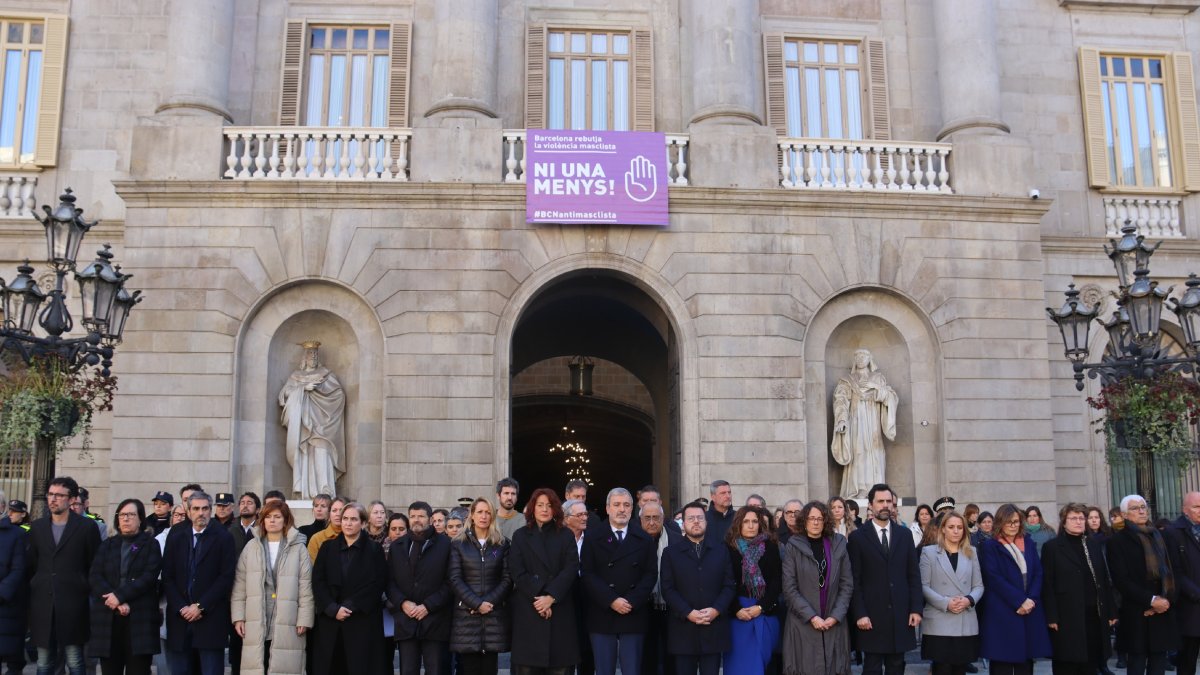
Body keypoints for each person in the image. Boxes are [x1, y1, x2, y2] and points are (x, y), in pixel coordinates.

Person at [29, 476, 103, 675]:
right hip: (43, 602)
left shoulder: (87, 527)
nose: (53, 499)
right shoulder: (37, 527)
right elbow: (33, 563)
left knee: (75, 660)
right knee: (43, 661)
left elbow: (94, 565)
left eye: (59, 495)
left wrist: (82, 588)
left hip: (74, 602)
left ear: (71, 500)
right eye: (51, 494)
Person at [847, 483, 923, 675]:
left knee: (897, 665)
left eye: (889, 501)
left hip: (900, 614)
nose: (885, 505)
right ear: (870, 506)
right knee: (871, 667)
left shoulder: (905, 535)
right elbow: (854, 581)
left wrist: (916, 608)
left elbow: (913, 575)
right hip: (871, 617)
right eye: (880, 501)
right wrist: (860, 613)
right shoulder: (857, 538)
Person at [231, 500, 314, 675]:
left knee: (285, 666)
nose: (272, 520)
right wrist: (238, 617)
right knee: (256, 664)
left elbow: (305, 587)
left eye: (277, 517)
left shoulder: (299, 549)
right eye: (268, 517)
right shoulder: (251, 547)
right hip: (256, 617)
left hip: (288, 618)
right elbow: (239, 586)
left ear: (286, 520)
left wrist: (304, 619)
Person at [581, 488, 657, 675]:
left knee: (632, 670)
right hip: (602, 613)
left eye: (626, 505)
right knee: (604, 670)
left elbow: (650, 575)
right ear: (607, 509)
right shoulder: (592, 538)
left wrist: (631, 601)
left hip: (633, 613)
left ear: (632, 509)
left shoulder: (644, 539)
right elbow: (588, 574)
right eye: (616, 505)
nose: (621, 509)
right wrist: (611, 600)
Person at [160, 490, 237, 675]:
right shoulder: (177, 534)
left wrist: (200, 606)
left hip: (210, 618)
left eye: (205, 508)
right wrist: (181, 607)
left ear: (211, 510)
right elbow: (168, 575)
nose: (201, 513)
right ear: (188, 511)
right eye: (196, 509)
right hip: (180, 618)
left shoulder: (224, 536)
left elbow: (226, 577)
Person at [509, 487, 580, 674]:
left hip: (560, 609)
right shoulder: (520, 536)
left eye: (549, 505)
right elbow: (517, 571)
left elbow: (571, 568)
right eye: (540, 505)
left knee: (560, 665)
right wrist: (541, 597)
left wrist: (551, 597)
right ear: (532, 508)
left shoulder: (565, 535)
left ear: (555, 509)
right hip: (530, 608)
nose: (544, 509)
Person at [88, 498, 163, 675]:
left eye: (131, 514)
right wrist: (115, 601)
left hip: (139, 618)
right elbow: (95, 576)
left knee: (138, 669)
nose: (126, 519)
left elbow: (148, 576)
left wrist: (120, 596)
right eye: (122, 515)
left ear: (140, 519)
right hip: (108, 617)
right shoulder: (108, 545)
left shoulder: (150, 544)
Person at [1042, 502, 1117, 675]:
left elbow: (1104, 580)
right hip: (1066, 616)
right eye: (1073, 518)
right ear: (1064, 521)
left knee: (1091, 663)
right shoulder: (1052, 547)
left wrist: (1111, 611)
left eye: (1081, 518)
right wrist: (1051, 615)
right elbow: (1047, 584)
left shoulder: (1093, 545)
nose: (1078, 521)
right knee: (1067, 663)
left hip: (1094, 616)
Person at [311, 502, 387, 674]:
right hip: (331, 621)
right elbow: (318, 581)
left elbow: (378, 583)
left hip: (361, 621)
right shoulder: (327, 547)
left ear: (363, 523)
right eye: (345, 518)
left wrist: (351, 606)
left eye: (353, 519)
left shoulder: (374, 550)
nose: (348, 523)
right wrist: (331, 608)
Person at [660, 501, 734, 675]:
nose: (696, 522)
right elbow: (668, 588)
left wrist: (716, 610)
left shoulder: (721, 550)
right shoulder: (671, 553)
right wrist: (688, 612)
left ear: (706, 522)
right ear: (683, 523)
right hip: (683, 630)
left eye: (700, 518)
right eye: (691, 518)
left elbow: (729, 585)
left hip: (713, 627)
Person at [1107, 494, 1179, 675]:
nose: (1141, 511)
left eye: (1143, 507)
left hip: (1162, 610)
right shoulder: (1117, 541)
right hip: (1136, 611)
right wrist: (1151, 600)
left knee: (1158, 664)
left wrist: (1163, 602)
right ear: (1124, 515)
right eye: (1135, 508)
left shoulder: (1159, 536)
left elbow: (1173, 572)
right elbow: (1121, 580)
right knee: (1137, 664)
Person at [978, 503, 1052, 675]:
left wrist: (1031, 599)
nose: (1013, 525)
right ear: (1000, 523)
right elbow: (993, 577)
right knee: (1002, 662)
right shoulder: (991, 546)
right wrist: (1019, 600)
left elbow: (1038, 573)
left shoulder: (1028, 543)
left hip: (1029, 610)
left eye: (1017, 521)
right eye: (1009, 522)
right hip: (1003, 611)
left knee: (1025, 662)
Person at [781, 500, 853, 675]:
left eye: (819, 519)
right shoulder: (793, 546)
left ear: (826, 521)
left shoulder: (839, 544)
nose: (815, 522)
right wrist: (812, 616)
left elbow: (846, 584)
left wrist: (836, 616)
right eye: (811, 518)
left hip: (833, 622)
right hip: (802, 623)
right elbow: (789, 588)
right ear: (804, 521)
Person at [448, 497, 512, 675]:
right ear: (472, 515)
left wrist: (487, 604)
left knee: (490, 669)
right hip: (466, 616)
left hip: (494, 615)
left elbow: (507, 578)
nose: (484, 516)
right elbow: (454, 578)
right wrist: (476, 604)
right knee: (468, 669)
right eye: (480, 512)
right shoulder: (458, 543)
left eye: (488, 512)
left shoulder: (502, 543)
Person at [389, 501, 453, 675]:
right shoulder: (397, 546)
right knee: (407, 671)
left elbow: (451, 581)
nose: (416, 520)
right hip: (406, 621)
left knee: (436, 671)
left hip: (435, 621)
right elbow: (389, 581)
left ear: (431, 519)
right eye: (412, 516)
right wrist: (402, 603)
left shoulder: (446, 545)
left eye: (421, 516)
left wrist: (428, 606)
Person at [278, 340, 346, 499]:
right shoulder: (296, 376)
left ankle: (324, 491)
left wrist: (320, 390)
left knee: (322, 452)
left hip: (323, 425)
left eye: (315, 354)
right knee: (305, 455)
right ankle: (306, 492)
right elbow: (284, 394)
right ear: (304, 358)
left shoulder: (327, 374)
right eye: (310, 354)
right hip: (303, 425)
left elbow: (339, 395)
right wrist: (303, 389)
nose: (313, 357)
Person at [919, 512, 984, 675]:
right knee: (942, 668)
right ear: (943, 530)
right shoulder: (929, 552)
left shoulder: (972, 552)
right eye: (951, 527)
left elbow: (979, 585)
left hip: (965, 619)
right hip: (939, 621)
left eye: (960, 527)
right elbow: (923, 586)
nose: (956, 531)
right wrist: (946, 603)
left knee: (960, 669)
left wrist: (968, 600)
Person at [831, 349, 899, 500]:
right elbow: (840, 400)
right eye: (858, 356)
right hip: (855, 421)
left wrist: (875, 388)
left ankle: (877, 488)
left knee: (874, 451)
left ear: (870, 359)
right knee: (858, 452)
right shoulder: (847, 380)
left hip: (872, 420)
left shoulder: (878, 378)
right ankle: (859, 489)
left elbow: (890, 396)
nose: (861, 358)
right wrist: (842, 419)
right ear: (854, 359)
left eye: (864, 356)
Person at [723, 506, 782, 675]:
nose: (751, 525)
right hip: (737, 616)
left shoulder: (770, 546)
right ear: (738, 524)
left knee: (763, 665)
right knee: (739, 666)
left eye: (755, 521)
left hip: (764, 612)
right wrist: (736, 610)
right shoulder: (728, 548)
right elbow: (725, 582)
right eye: (746, 521)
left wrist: (761, 607)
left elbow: (776, 581)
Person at [637, 502, 678, 675]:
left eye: (656, 518)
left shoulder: (676, 539)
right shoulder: (633, 540)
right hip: (642, 607)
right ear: (640, 520)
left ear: (663, 519)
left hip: (672, 607)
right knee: (646, 655)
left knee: (672, 655)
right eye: (647, 518)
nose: (652, 522)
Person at [1166, 492, 1200, 675]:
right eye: (1196, 507)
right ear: (1184, 510)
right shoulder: (1173, 532)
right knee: (1187, 661)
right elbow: (1174, 571)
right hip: (1190, 608)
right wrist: (1195, 593)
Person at [563, 499, 595, 675]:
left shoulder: (593, 539)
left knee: (587, 653)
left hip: (589, 603)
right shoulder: (557, 539)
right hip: (564, 601)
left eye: (585, 514)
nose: (584, 518)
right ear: (567, 518)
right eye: (580, 515)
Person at [0, 491, 26, 675]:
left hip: (6, 605)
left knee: (12, 659)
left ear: (2, 508)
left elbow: (19, 569)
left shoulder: (16, 534)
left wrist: (1, 592)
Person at [306, 496, 346, 562]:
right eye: (334, 510)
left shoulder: (353, 537)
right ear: (329, 514)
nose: (338, 514)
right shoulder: (317, 538)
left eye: (341, 510)